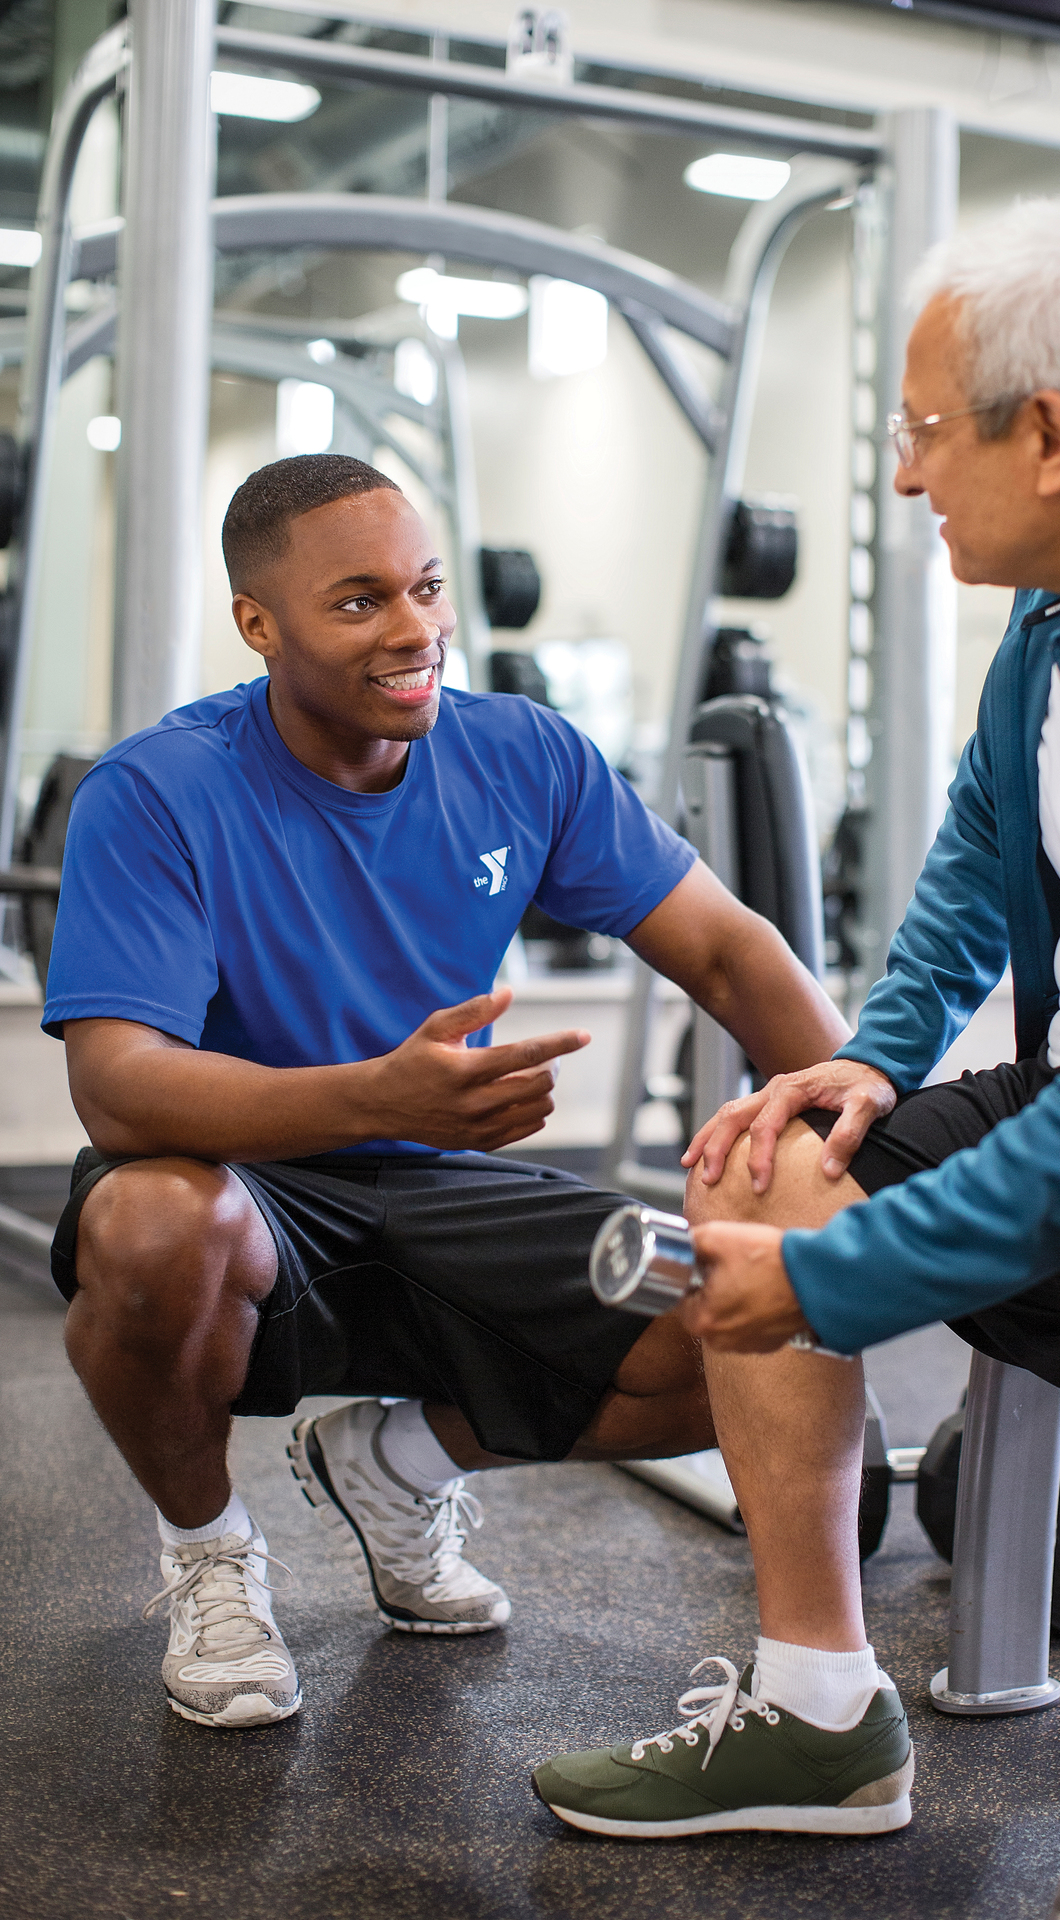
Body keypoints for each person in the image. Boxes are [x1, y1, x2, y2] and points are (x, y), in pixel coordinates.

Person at [532, 202, 1060, 1920]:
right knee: (763, 1160)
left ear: (1051, 434)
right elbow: (968, 867)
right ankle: (819, 1714)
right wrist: (866, 1066)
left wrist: (831, 1278)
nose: (902, 478)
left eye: (923, 433)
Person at [45, 452, 884, 1764]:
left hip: (443, 1176)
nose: (416, 629)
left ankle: (400, 1464)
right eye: (361, 600)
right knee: (152, 1227)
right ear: (258, 624)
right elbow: (117, 1086)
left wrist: (875, 1139)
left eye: (427, 589)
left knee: (754, 1322)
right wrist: (380, 1094)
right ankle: (210, 1556)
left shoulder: (521, 756)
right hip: (248, 1181)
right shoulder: (158, 792)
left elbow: (729, 951)